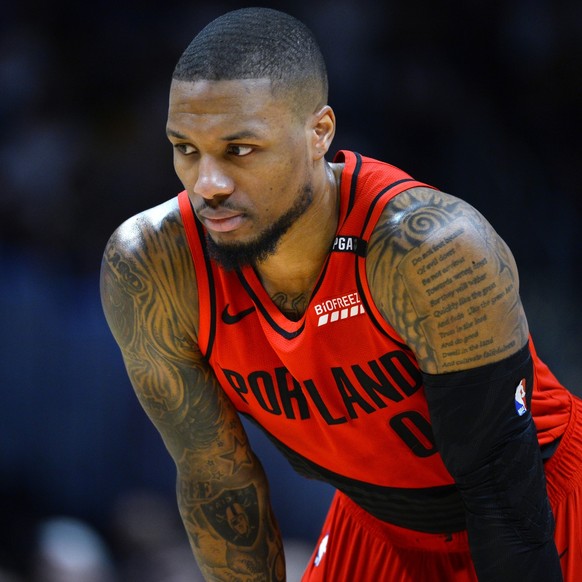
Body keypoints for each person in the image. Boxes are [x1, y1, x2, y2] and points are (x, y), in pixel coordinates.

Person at [100, 7, 581, 581]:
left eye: (240, 150)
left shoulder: (428, 249)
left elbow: (500, 494)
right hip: (377, 521)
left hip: (540, 499)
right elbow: (218, 486)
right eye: (186, 149)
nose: (209, 184)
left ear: (319, 133)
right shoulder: (152, 265)